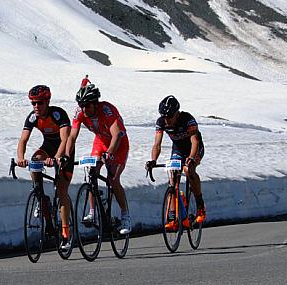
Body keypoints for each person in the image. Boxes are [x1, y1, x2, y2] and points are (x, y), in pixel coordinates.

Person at [64, 83, 131, 234]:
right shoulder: (80, 112)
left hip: (118, 144)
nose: (84, 109)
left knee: (113, 180)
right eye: (81, 105)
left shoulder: (107, 110)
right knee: (92, 172)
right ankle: (92, 211)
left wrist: (109, 153)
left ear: (95, 104)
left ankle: (125, 215)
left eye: (87, 105)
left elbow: (116, 134)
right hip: (100, 142)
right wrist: (67, 155)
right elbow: (72, 136)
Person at [16, 85, 74, 250]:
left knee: (62, 191)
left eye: (40, 103)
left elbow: (65, 139)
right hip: (48, 146)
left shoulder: (58, 114)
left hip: (64, 150)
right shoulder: (33, 117)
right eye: (33, 103)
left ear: (47, 102)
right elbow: (23, 141)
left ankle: (65, 234)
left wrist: (56, 158)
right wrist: (21, 158)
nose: (36, 106)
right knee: (35, 160)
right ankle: (39, 194)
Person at [146, 95, 206, 229]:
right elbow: (157, 144)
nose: (166, 120)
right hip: (178, 149)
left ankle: (200, 204)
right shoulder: (161, 122)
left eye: (169, 117)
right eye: (164, 117)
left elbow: (195, 141)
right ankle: (173, 216)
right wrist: (153, 160)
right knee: (172, 178)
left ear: (177, 114)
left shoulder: (187, 119)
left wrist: (191, 158)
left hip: (194, 149)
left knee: (188, 170)